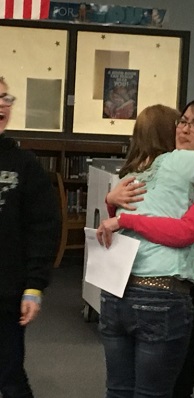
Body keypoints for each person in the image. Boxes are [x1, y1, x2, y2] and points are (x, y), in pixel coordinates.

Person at [96, 102, 194, 398]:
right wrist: (112, 198)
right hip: (175, 288)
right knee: (174, 386)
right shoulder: (165, 169)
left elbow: (186, 231)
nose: (184, 129)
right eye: (182, 121)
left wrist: (123, 217)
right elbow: (133, 210)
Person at [0, 77, 60, 397]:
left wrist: (34, 286)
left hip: (6, 294)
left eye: (5, 97)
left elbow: (44, 227)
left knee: (9, 377)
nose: (2, 104)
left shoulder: (24, 164)